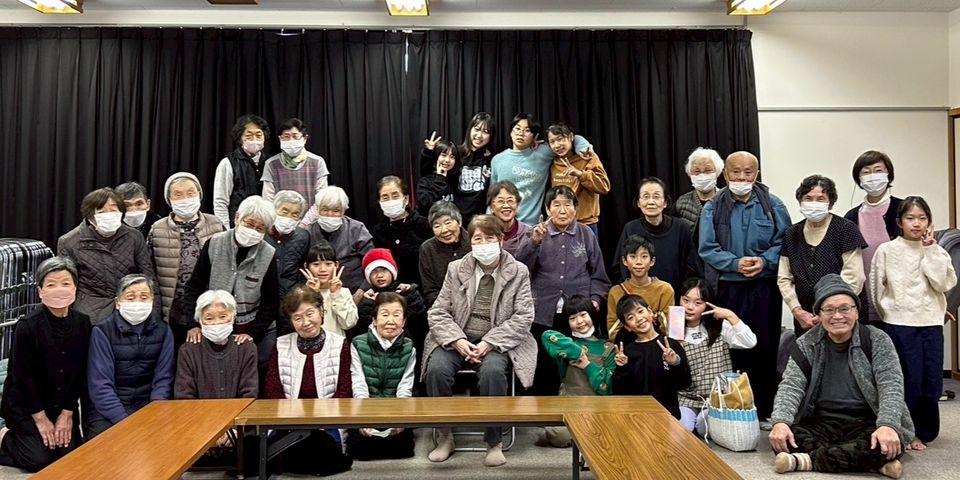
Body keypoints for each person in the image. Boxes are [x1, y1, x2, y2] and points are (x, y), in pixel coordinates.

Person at [770, 274, 912, 479]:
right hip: (821, 422)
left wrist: (887, 425)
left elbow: (891, 386)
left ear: (856, 312)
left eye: (845, 309)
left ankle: (805, 461)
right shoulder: (806, 344)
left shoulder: (877, 339)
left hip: (867, 421)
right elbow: (791, 386)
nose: (837, 316)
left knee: (885, 442)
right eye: (829, 310)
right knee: (785, 438)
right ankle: (873, 465)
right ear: (818, 314)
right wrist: (780, 422)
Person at [424, 215, 537, 467]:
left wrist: (490, 342)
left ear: (500, 239)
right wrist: (457, 340)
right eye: (477, 238)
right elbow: (438, 312)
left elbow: (524, 317)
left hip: (497, 340)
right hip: (459, 336)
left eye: (489, 238)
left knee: (493, 372)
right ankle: (445, 436)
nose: (483, 243)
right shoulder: (456, 269)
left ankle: (494, 441)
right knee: (436, 369)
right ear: (470, 242)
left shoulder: (518, 271)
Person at [698, 151, 791, 422]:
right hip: (728, 288)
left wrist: (764, 261)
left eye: (747, 172)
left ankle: (764, 409)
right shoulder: (713, 207)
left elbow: (785, 242)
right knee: (731, 349)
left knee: (764, 347)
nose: (741, 177)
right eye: (735, 172)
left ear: (756, 174)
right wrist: (735, 263)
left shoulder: (773, 204)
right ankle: (732, 409)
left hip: (764, 287)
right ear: (725, 174)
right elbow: (707, 248)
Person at [869, 196, 957, 450]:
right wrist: (889, 312)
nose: (916, 224)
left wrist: (930, 251)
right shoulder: (887, 250)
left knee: (932, 381)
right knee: (908, 380)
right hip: (898, 323)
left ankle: (926, 431)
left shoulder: (937, 250)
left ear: (929, 222)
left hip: (931, 322)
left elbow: (943, 284)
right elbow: (876, 288)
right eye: (910, 218)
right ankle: (906, 432)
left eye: (922, 218)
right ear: (900, 222)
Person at [515, 186, 609, 396]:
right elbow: (520, 270)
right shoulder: (535, 232)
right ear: (548, 209)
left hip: (577, 314)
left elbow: (599, 275)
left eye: (568, 204)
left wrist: (594, 301)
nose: (563, 210)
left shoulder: (586, 233)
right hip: (542, 313)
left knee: (575, 368)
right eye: (556, 205)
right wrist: (534, 243)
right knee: (544, 369)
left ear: (576, 208)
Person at [263, 286, 367, 476]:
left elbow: (344, 390)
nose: (306, 322)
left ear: (321, 311)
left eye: (310, 313)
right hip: (289, 420)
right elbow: (272, 391)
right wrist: (294, 419)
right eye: (297, 318)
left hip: (327, 420)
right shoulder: (281, 344)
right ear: (291, 322)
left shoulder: (339, 344)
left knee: (320, 446)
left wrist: (318, 419)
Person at [0, 257, 91, 472]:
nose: (59, 289)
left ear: (75, 289)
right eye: (51, 284)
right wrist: (41, 419)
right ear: (40, 292)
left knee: (68, 457)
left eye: (65, 283)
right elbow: (22, 378)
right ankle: (4, 437)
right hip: (28, 405)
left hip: (62, 405)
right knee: (38, 460)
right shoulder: (27, 326)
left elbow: (80, 373)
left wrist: (67, 414)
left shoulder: (83, 323)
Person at [181, 195, 279, 382]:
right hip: (216, 321)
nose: (253, 231)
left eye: (260, 228)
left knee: (253, 371)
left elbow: (271, 300)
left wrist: (252, 333)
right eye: (249, 224)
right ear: (237, 218)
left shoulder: (268, 253)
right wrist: (193, 325)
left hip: (253, 324)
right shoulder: (214, 243)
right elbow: (194, 286)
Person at [85, 275, 174, 439]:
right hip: (108, 409)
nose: (137, 302)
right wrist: (125, 421)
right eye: (130, 298)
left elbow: (163, 378)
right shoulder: (102, 332)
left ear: (152, 301)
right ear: (118, 303)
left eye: (144, 297)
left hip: (148, 405)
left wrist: (156, 411)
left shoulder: (164, 331)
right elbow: (101, 386)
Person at [778, 175, 866, 334]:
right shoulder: (791, 234)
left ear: (830, 203)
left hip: (841, 317)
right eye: (808, 198)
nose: (814, 203)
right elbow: (784, 277)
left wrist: (830, 312)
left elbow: (854, 277)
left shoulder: (845, 229)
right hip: (804, 318)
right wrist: (797, 310)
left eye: (820, 199)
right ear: (800, 201)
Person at [148, 172, 224, 350]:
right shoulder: (157, 229)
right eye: (178, 194)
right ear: (169, 199)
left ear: (199, 194)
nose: (185, 199)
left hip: (211, 310)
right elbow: (149, 270)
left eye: (190, 193)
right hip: (171, 311)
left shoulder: (216, 225)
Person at [57, 187, 157, 323]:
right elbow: (66, 284)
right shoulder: (69, 242)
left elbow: (148, 277)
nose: (109, 215)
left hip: (130, 306)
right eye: (101, 211)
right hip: (89, 311)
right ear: (90, 216)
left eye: (113, 210)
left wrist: (154, 315)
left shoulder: (134, 237)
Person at [675, 278, 756, 434]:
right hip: (686, 397)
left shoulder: (720, 327)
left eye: (698, 303)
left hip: (717, 398)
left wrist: (731, 316)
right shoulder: (673, 329)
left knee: (702, 426)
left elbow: (750, 342)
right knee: (682, 429)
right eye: (685, 300)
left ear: (707, 304)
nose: (690, 307)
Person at [347, 292, 417, 461]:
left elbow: (405, 386)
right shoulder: (358, 343)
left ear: (404, 321)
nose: (390, 321)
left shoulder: (409, 348)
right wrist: (363, 420)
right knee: (360, 450)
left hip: (394, 410)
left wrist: (400, 420)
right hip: (366, 408)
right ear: (374, 319)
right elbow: (358, 382)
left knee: (403, 450)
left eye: (396, 315)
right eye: (385, 315)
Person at [540, 295, 615, 447]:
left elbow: (606, 388)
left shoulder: (608, 347)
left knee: (610, 432)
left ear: (592, 315)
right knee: (559, 436)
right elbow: (546, 336)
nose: (579, 321)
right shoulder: (566, 345)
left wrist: (587, 365)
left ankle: (582, 434)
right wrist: (579, 353)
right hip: (570, 403)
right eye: (572, 318)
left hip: (598, 405)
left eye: (583, 315)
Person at [490, 113, 591, 225]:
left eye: (527, 130)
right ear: (511, 132)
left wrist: (584, 148)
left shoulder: (543, 152)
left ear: (535, 136)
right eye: (517, 129)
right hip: (502, 224)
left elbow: (571, 138)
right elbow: (492, 196)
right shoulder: (497, 160)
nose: (520, 133)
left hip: (531, 226)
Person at [844, 150, 903, 324]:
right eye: (866, 172)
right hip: (864, 301)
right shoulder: (851, 217)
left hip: (900, 302)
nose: (872, 177)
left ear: (888, 174)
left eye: (878, 170)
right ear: (859, 179)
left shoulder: (904, 210)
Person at [612, 177, 698, 294]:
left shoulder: (681, 228)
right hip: (638, 298)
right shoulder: (630, 228)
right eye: (645, 196)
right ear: (638, 203)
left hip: (675, 295)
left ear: (665, 202)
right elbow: (620, 268)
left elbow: (692, 267)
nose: (651, 202)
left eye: (656, 196)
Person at [612, 295, 691, 420]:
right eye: (630, 317)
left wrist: (675, 363)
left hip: (669, 415)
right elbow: (619, 392)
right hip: (638, 417)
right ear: (627, 326)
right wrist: (622, 368)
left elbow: (685, 383)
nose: (639, 319)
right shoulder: (627, 353)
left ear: (650, 311)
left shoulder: (671, 345)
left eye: (640, 311)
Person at [174, 290, 258, 400]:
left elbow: (249, 394)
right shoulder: (188, 351)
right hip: (198, 411)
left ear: (233, 316)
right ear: (200, 320)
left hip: (239, 410)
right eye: (209, 318)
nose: (217, 322)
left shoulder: (246, 348)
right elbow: (184, 396)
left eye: (223, 316)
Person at [420, 112, 497, 221]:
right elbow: (428, 174)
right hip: (455, 218)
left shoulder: (491, 159)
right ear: (470, 130)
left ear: (490, 136)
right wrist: (429, 152)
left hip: (479, 220)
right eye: (476, 129)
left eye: (485, 132)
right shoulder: (456, 153)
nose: (479, 135)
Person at [261, 117, 329, 226]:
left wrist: (303, 224)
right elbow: (267, 200)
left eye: (295, 136)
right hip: (279, 224)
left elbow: (321, 200)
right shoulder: (271, 164)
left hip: (311, 224)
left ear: (304, 138)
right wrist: (281, 223)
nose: (291, 140)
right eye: (286, 137)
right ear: (280, 139)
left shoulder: (317, 162)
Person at [353, 249, 426, 349]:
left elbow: (420, 322)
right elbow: (363, 329)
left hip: (407, 346)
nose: (379, 275)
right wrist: (367, 304)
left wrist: (410, 296)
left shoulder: (406, 291)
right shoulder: (367, 298)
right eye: (373, 271)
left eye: (384, 269)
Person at [607, 235, 675, 342]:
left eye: (644, 256)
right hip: (629, 347)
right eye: (633, 256)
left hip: (660, 345)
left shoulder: (665, 289)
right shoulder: (615, 292)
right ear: (624, 261)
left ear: (652, 261)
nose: (638, 262)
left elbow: (671, 329)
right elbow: (613, 331)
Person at [546, 122, 609, 237]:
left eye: (560, 139)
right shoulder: (554, 163)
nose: (557, 145)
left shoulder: (587, 157)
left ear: (571, 137)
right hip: (559, 224)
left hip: (585, 224)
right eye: (552, 142)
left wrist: (580, 174)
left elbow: (604, 186)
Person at [307, 186, 374, 292]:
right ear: (318, 209)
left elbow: (372, 264)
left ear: (343, 212)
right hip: (317, 291)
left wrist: (362, 291)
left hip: (355, 290)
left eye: (336, 211)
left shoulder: (357, 229)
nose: (330, 215)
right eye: (325, 210)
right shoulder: (308, 232)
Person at [371, 175, 433, 286]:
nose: (390, 201)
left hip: (422, 288)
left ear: (406, 199)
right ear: (379, 202)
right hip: (391, 290)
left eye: (395, 196)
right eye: (385, 198)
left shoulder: (424, 225)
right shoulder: (378, 231)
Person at [213, 114, 271, 227]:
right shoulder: (228, 163)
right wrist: (225, 229)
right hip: (237, 224)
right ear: (240, 138)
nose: (254, 140)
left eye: (258, 135)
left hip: (263, 225)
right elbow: (220, 201)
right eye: (249, 136)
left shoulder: (270, 162)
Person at [265, 191, 311, 324]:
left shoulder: (303, 237)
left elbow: (304, 268)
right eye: (284, 212)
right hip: (264, 301)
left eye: (295, 214)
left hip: (291, 300)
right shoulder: (261, 234)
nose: (289, 217)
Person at [301, 240, 359, 337]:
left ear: (336, 265)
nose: (322, 269)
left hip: (337, 344)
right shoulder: (300, 294)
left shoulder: (343, 292)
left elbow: (348, 323)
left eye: (328, 264)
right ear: (306, 266)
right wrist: (311, 294)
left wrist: (336, 295)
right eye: (316, 264)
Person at [419, 201, 471, 309]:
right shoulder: (427, 249)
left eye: (448, 223)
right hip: (443, 309)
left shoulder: (473, 241)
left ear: (459, 221)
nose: (444, 230)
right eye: (437, 226)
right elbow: (430, 290)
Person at [675, 147, 724, 230]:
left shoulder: (726, 200)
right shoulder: (682, 203)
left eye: (708, 170)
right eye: (696, 171)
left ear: (717, 172)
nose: (702, 175)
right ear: (690, 174)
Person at [487, 181, 531, 256]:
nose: (506, 205)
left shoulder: (529, 233)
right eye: (500, 201)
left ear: (517, 205)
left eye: (510, 201)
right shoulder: (485, 233)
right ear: (491, 207)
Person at [416, 138, 459, 216]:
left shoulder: (454, 180)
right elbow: (425, 204)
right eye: (443, 155)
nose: (447, 160)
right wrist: (440, 178)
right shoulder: (425, 181)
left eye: (452, 157)